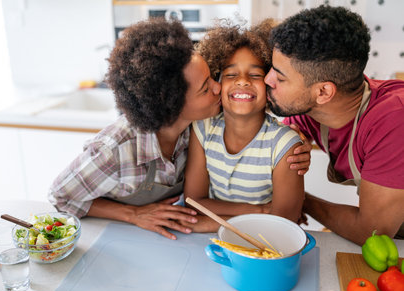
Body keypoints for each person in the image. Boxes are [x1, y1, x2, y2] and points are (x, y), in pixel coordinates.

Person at [48, 18, 311, 240]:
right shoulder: (115, 149)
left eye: (213, 76)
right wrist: (134, 214)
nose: (219, 87)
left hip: (183, 238)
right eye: (207, 87)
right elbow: (61, 198)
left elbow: (253, 118)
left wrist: (296, 133)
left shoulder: (198, 126)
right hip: (119, 236)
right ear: (173, 104)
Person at [264, 5, 404, 245]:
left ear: (324, 91)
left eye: (280, 76)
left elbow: (370, 232)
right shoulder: (311, 109)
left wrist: (300, 200)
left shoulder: (394, 120)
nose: (268, 79)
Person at [182, 20, 304, 233]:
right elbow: (195, 202)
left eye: (255, 75)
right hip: (218, 242)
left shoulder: (284, 144)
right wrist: (258, 211)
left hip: (265, 247)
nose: (242, 81)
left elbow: (283, 224)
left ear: (270, 85)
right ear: (216, 83)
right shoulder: (203, 129)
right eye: (231, 74)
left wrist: (212, 222)